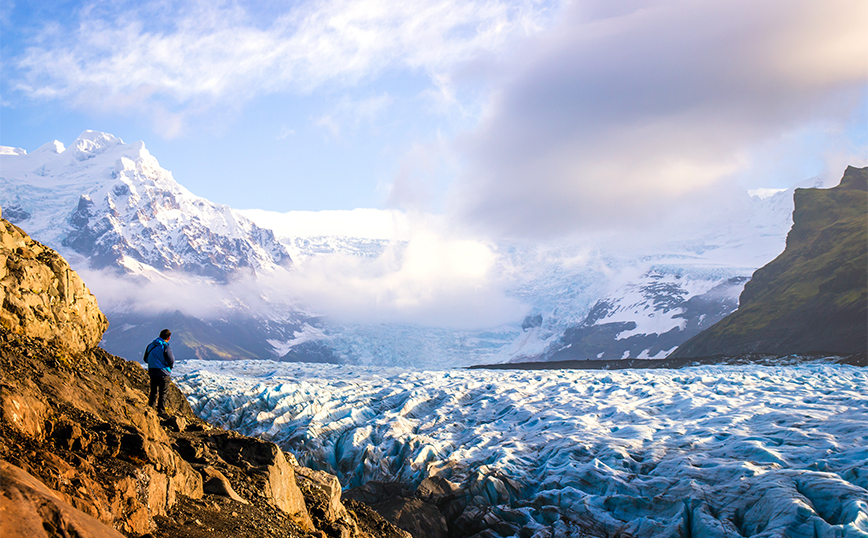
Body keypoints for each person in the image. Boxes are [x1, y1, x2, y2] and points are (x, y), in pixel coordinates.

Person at [143, 329, 175, 415]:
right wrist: (168, 367)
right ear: (169, 338)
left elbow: (145, 359)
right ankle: (161, 411)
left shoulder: (150, 345)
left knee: (153, 391)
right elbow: (171, 360)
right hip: (163, 373)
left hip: (152, 371)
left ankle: (150, 408)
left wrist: (153, 363)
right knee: (163, 392)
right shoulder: (165, 347)